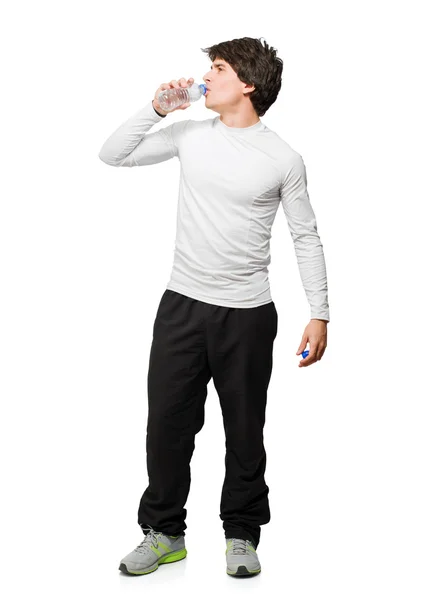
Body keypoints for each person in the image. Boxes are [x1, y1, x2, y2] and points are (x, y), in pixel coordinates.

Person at [98, 36, 330, 578]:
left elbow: (306, 236)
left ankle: (242, 535)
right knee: (168, 427)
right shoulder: (189, 136)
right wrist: (157, 109)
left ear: (246, 84)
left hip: (246, 315)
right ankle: (163, 533)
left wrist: (320, 312)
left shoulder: (284, 158)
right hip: (181, 305)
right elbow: (112, 154)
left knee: (245, 429)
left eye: (217, 68)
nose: (206, 76)